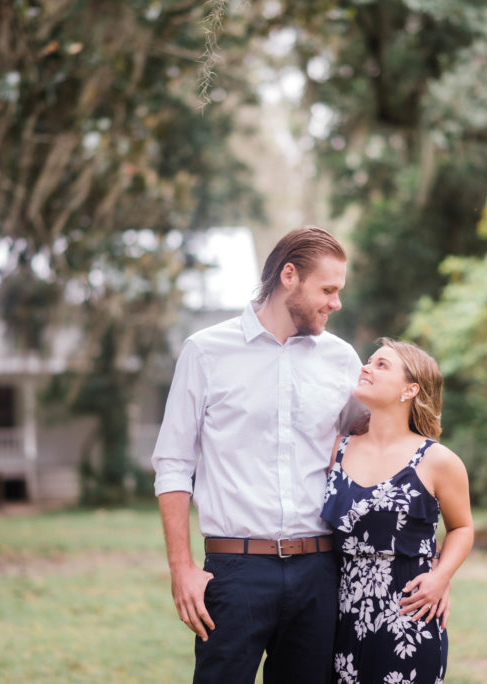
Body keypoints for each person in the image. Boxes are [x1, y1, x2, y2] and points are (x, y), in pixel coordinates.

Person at [151, 226, 368, 684]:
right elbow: (173, 463)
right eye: (328, 290)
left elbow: (370, 447)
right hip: (236, 570)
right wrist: (182, 568)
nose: (336, 303)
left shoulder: (343, 360)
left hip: (319, 569)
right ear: (289, 276)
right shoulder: (206, 352)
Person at [321, 338, 474, 684]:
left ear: (410, 390)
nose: (366, 368)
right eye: (369, 361)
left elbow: (462, 527)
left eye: (381, 365)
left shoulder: (437, 460)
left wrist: (440, 577)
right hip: (340, 616)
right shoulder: (338, 450)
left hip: (409, 615)